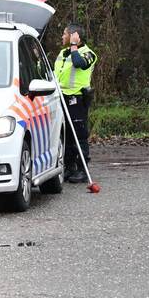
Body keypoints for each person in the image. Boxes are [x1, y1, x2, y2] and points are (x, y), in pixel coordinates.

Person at [54, 23, 97, 183]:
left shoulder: (89, 54)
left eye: (65, 34)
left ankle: (82, 169)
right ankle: (68, 166)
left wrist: (73, 45)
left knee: (79, 134)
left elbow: (79, 63)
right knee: (67, 135)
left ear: (74, 36)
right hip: (61, 98)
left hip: (77, 99)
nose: (62, 36)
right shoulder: (62, 53)